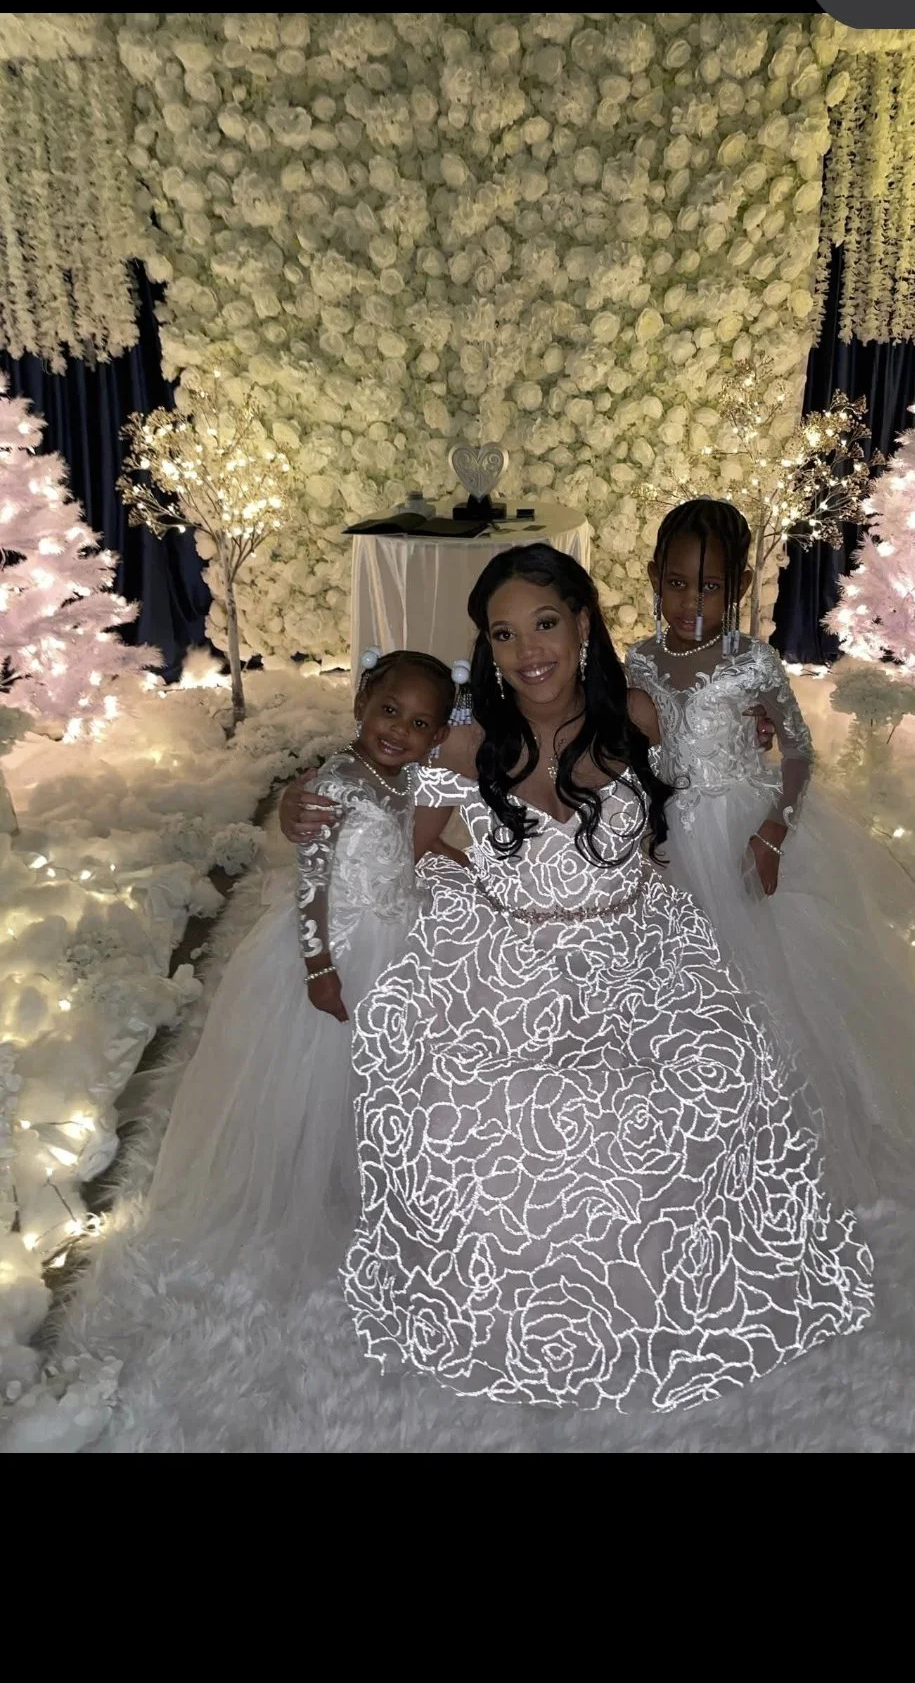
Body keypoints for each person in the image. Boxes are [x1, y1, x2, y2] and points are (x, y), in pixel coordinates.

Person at [284, 545, 873, 1410]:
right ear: (486, 647)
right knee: (472, 1101)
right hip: (501, 954)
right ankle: (507, 1291)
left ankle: (674, 1275)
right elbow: (379, 822)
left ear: (585, 622)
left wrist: (762, 773)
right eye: (505, 633)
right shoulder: (460, 741)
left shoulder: (639, 713)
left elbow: (723, 774)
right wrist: (297, 804)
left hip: (638, 947)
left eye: (547, 623)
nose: (529, 649)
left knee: (717, 1071)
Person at [626, 497, 915, 1208]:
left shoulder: (751, 662)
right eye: (676, 582)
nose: (689, 601)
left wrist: (773, 832)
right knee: (689, 989)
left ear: (739, 589)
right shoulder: (642, 659)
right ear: (653, 575)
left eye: (709, 587)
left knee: (783, 980)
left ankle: (792, 1126)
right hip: (678, 838)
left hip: (748, 824)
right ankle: (705, 1127)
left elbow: (799, 753)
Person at [144, 650, 457, 1284]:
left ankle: (358, 1171)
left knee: (372, 1071)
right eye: (390, 711)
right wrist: (318, 965)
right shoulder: (337, 781)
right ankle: (299, 1182)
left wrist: (452, 861)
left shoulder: (399, 780)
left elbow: (400, 847)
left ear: (439, 736)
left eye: (420, 724)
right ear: (361, 700)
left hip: (391, 934)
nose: (399, 730)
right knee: (318, 1068)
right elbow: (311, 884)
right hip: (340, 944)